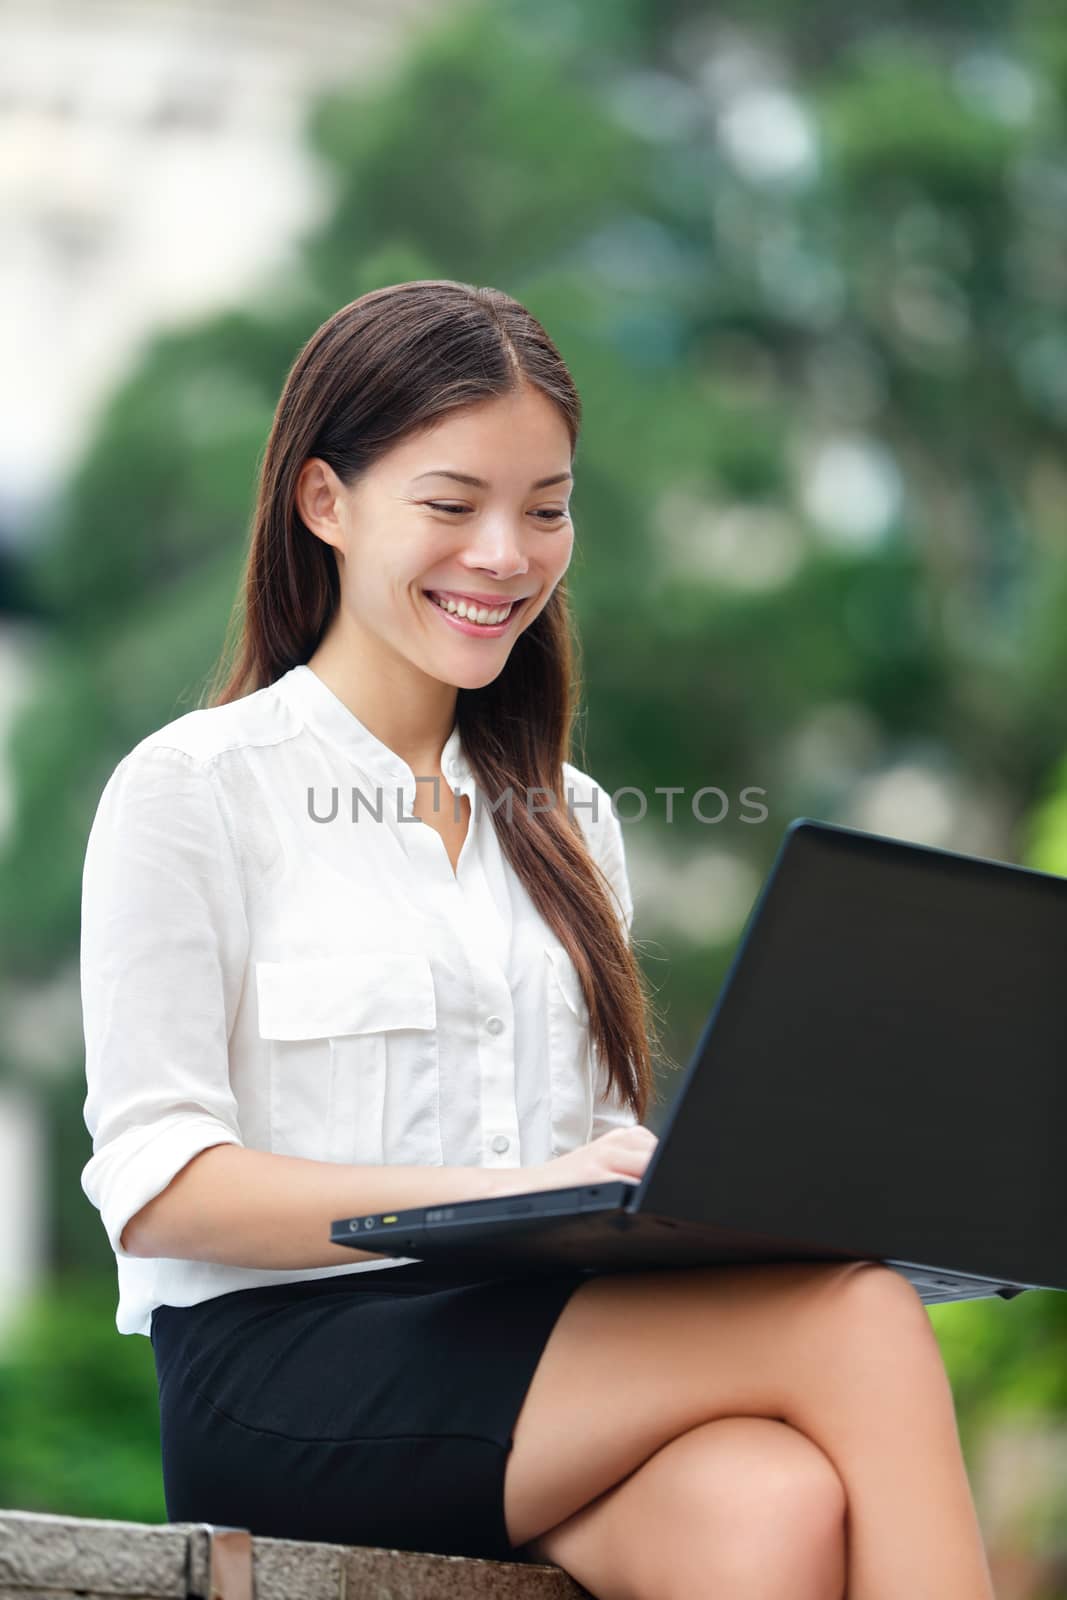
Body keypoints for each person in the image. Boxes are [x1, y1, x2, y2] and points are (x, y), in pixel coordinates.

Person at [79, 280, 996, 1600]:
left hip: (527, 1353)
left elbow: (593, 1174)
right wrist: (506, 1200)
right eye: (452, 506)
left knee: (771, 1506)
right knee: (854, 1316)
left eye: (547, 509)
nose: (505, 553)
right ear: (324, 503)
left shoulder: (571, 821)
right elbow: (164, 1187)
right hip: (283, 1377)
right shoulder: (194, 789)